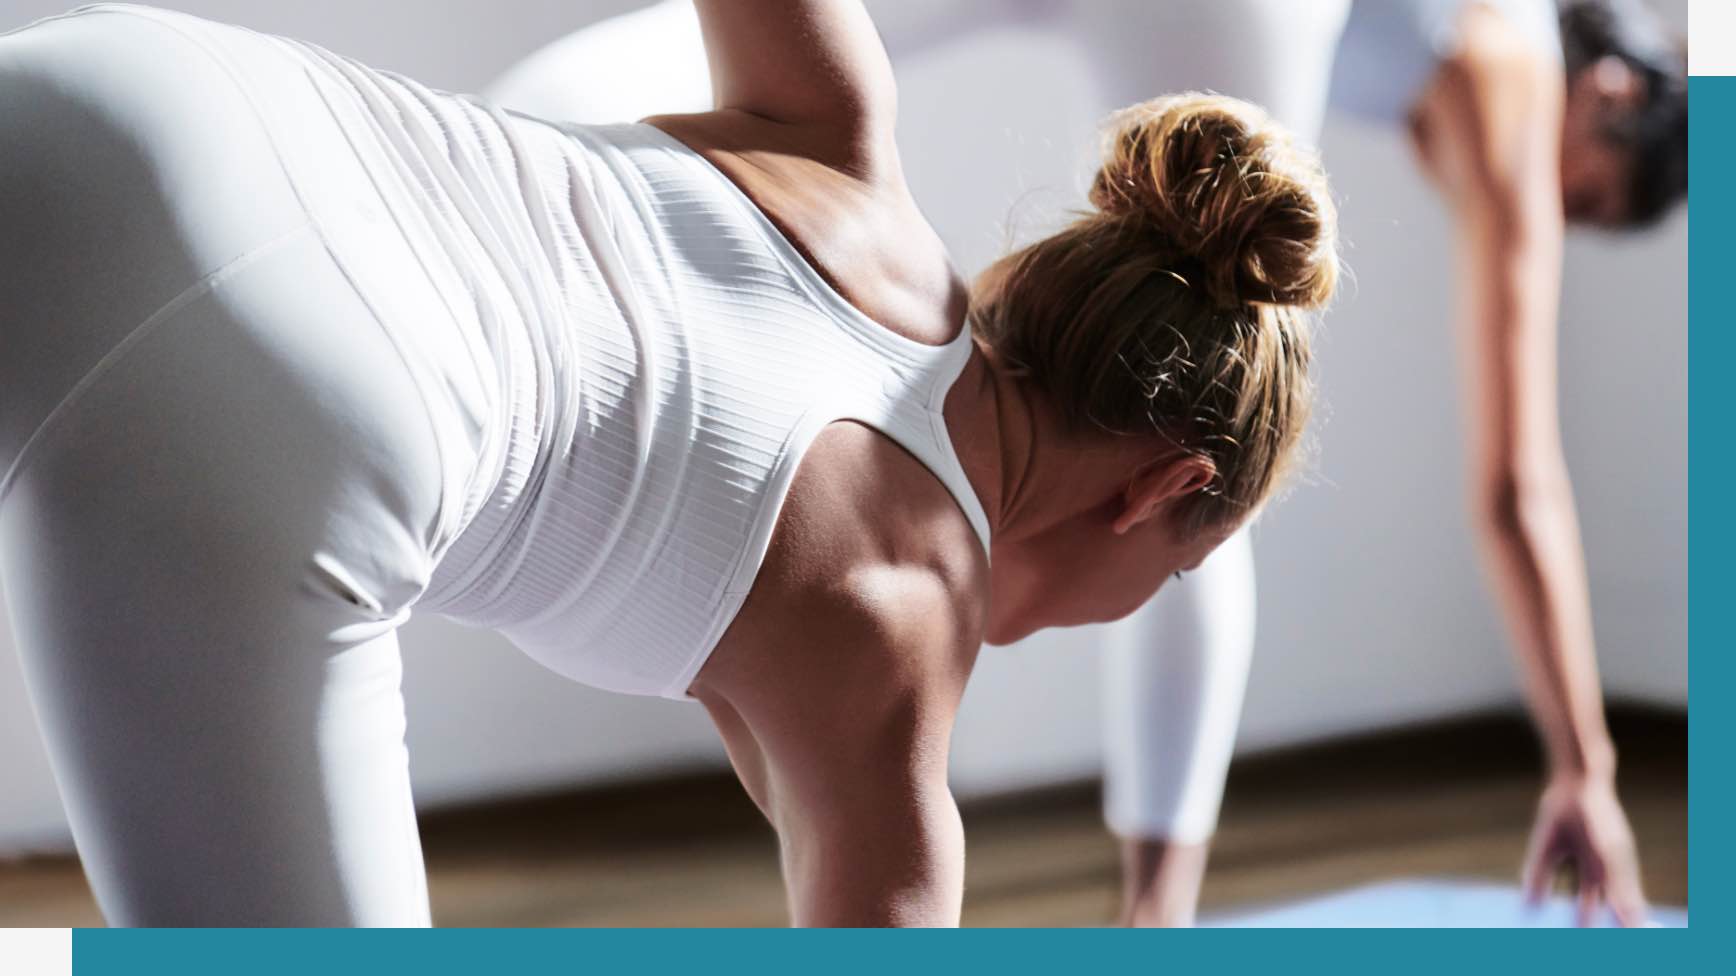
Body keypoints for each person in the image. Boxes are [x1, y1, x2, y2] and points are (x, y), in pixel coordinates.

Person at [0, 2, 1337, 926]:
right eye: (1184, 568)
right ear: (1158, 492)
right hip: (270, 423)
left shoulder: (846, 137)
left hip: (125, 89)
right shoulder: (898, 653)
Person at [489, 0, 1687, 928]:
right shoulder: (1516, 59)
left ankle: (499, 155)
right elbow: (1514, 476)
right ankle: (1155, 917)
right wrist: (1582, 761)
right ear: (1617, 87)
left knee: (758, 76)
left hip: (508, 212)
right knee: (1208, 438)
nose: (1549, 210)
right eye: (1582, 195)